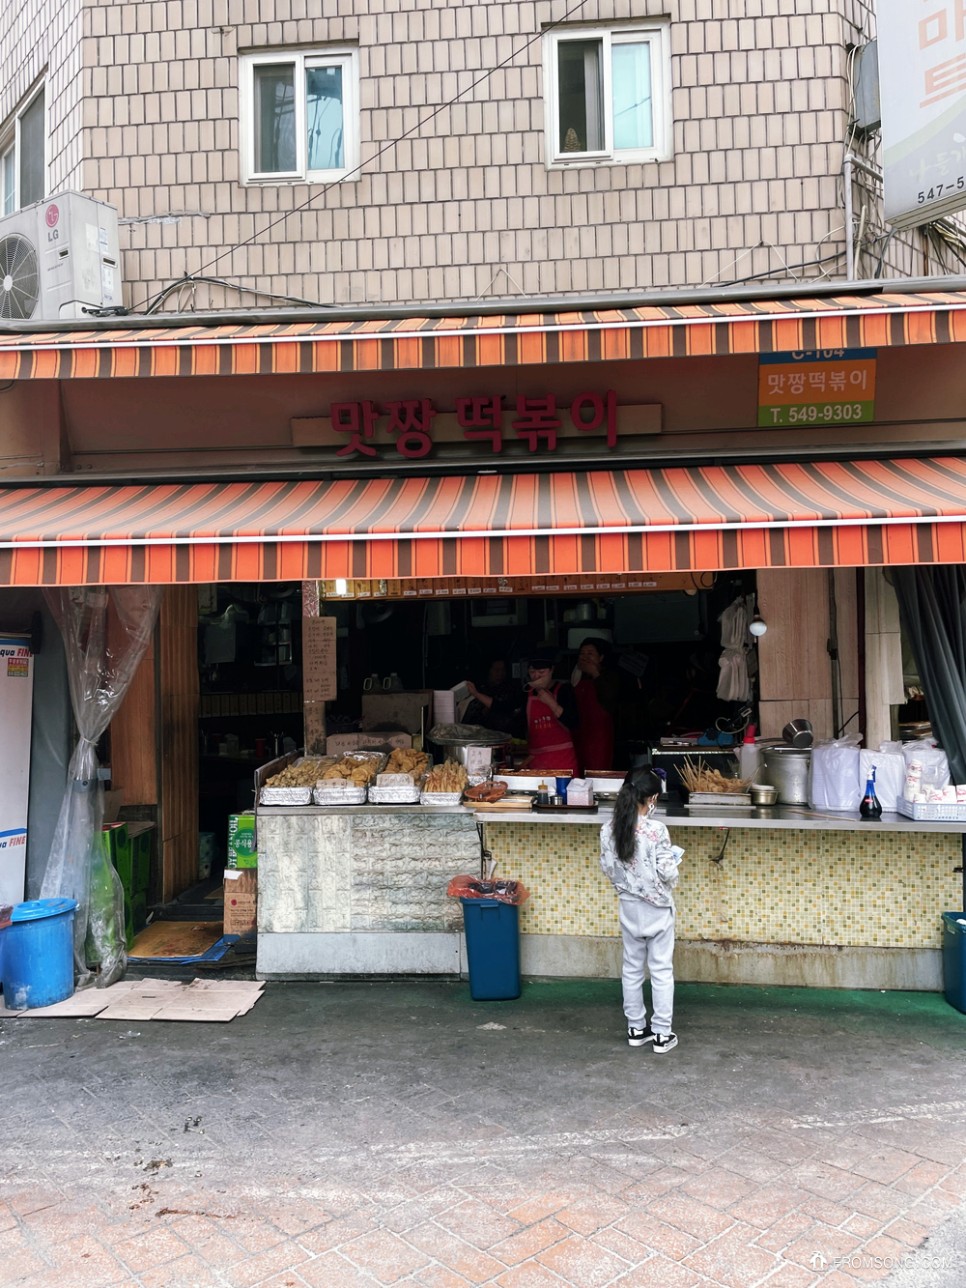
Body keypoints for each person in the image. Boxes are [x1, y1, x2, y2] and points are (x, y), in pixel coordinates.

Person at [599, 769, 684, 1052]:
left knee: (632, 969)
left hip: (629, 908)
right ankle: (662, 1033)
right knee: (660, 970)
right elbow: (667, 873)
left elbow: (608, 868)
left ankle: (636, 1028)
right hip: (657, 910)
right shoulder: (656, 830)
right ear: (651, 798)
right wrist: (673, 865)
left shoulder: (608, 829)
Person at [522, 649, 580, 775]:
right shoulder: (527, 693)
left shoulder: (564, 690)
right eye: (532, 672)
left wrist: (551, 703)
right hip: (537, 761)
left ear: (552, 670)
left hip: (562, 759)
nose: (536, 676)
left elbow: (574, 723)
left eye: (541, 672)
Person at [573, 636, 619, 772]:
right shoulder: (576, 676)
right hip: (579, 734)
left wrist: (595, 673)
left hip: (600, 737)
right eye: (582, 653)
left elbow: (610, 698)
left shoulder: (610, 676)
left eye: (590, 654)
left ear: (601, 657)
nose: (585, 657)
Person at [463, 658, 519, 734]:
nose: (500, 674)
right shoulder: (481, 688)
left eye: (503, 670)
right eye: (496, 670)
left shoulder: (511, 689)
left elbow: (502, 706)